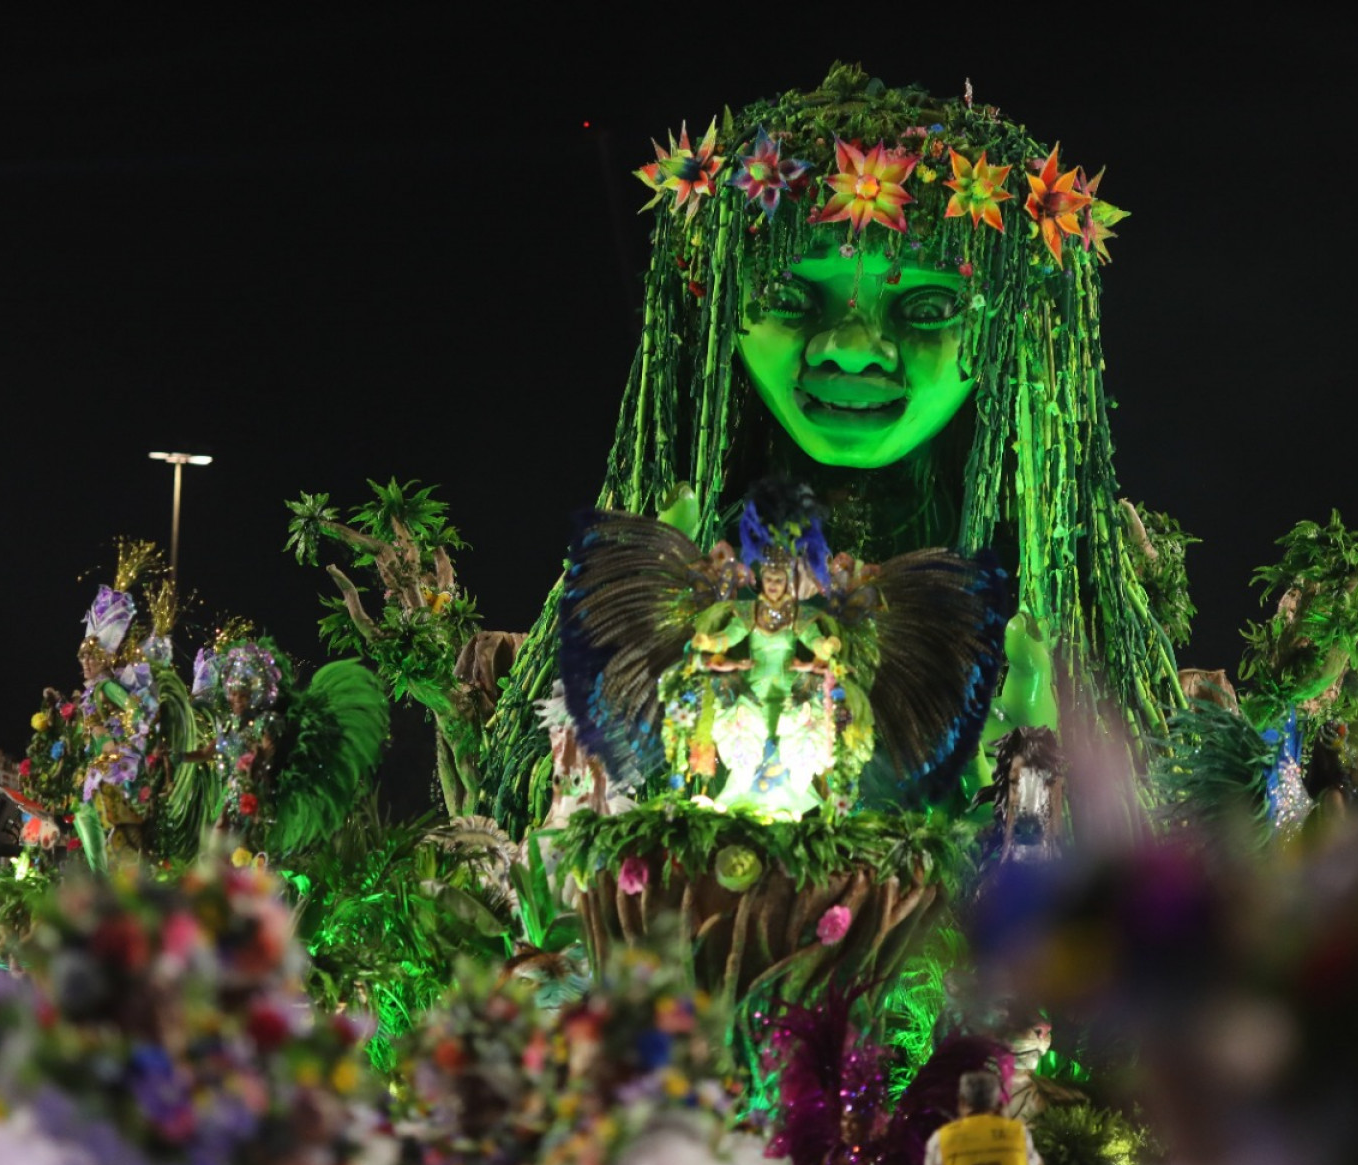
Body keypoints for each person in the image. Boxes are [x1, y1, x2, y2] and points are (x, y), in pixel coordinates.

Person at [481, 64, 1183, 831]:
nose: (850, 347)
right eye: (787, 296)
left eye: (928, 306)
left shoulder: (1063, 599)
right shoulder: (670, 560)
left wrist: (1030, 795)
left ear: (1016, 322)